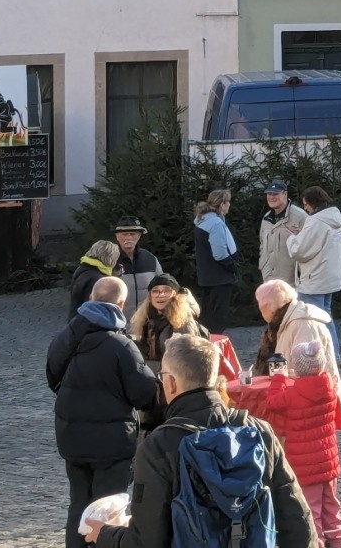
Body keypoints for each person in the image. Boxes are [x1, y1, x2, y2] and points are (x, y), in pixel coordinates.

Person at [88, 334, 316, 547]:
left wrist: (105, 534)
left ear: (171, 382)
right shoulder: (259, 431)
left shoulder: (159, 446)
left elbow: (147, 540)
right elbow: (297, 519)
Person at [47, 276, 159, 548]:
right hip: (112, 443)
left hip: (72, 438)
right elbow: (144, 393)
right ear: (121, 304)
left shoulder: (65, 337)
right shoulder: (121, 346)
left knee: (79, 504)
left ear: (91, 299)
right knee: (109, 508)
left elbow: (52, 378)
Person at [267, 339, 341, 548]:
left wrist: (279, 378)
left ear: (299, 368)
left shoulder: (292, 394)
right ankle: (337, 541)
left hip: (306, 465)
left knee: (312, 511)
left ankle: (317, 543)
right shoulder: (329, 385)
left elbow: (272, 402)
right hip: (328, 462)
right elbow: (311, 386)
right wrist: (299, 377)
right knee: (331, 506)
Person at [128, 273, 207, 433]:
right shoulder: (147, 319)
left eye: (166, 290)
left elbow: (185, 360)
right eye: (156, 291)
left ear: (175, 294)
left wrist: (145, 367)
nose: (161, 295)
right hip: (155, 387)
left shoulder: (183, 322)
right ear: (150, 296)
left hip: (176, 387)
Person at [254, 280, 341, 413]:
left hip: (315, 405)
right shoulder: (286, 320)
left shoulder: (302, 324)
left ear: (269, 308)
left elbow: (310, 372)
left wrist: (283, 377)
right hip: (304, 400)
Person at [288, 184, 341, 357]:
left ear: (313, 203)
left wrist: (292, 238)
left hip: (314, 278)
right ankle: (334, 354)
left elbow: (300, 250)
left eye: (306, 204)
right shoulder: (334, 217)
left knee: (314, 320)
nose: (305, 208)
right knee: (326, 316)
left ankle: (327, 356)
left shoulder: (315, 221)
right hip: (329, 277)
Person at [192, 189, 239, 334]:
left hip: (207, 277)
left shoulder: (202, 220)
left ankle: (207, 341)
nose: (229, 205)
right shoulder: (215, 223)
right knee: (218, 319)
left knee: (208, 316)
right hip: (219, 277)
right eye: (228, 202)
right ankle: (214, 344)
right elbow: (219, 254)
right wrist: (233, 266)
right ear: (222, 204)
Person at [259, 178, 308, 287]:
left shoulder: (300, 216)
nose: (271, 197)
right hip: (268, 280)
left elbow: (309, 246)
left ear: (285, 194)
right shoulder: (266, 218)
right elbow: (262, 246)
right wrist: (263, 265)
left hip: (291, 281)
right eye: (269, 194)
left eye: (275, 194)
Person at [110, 218, 162, 308]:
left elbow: (162, 285)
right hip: (118, 316)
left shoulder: (150, 258)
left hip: (146, 315)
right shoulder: (110, 259)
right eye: (124, 234)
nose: (128, 238)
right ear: (117, 236)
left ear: (139, 236)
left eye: (132, 234)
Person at [69, 240, 120, 321]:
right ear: (110, 258)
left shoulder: (83, 269)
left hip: (76, 320)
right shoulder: (97, 278)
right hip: (88, 323)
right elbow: (96, 309)